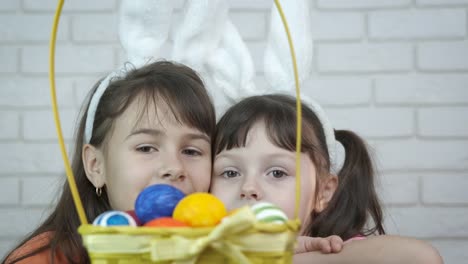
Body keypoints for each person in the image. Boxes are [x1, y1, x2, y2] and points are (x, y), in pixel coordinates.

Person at [3, 61, 216, 263]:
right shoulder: (44, 260)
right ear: (96, 165)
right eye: (146, 148)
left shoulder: (228, 252)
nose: (174, 167)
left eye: (191, 151)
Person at [211, 94, 443, 264]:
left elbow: (420, 258)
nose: (248, 188)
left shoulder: (337, 251)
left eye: (277, 173)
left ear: (323, 192)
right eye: (230, 173)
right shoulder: (198, 251)